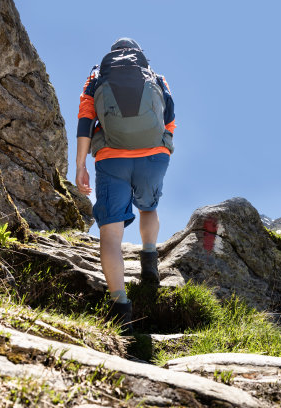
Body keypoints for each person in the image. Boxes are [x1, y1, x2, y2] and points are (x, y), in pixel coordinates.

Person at [75, 38, 175, 331]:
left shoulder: (97, 78)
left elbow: (85, 119)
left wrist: (80, 165)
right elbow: (169, 117)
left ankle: (120, 310)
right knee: (149, 207)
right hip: (153, 156)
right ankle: (149, 261)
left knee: (110, 233)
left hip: (112, 157)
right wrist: (163, 149)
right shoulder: (155, 77)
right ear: (139, 55)